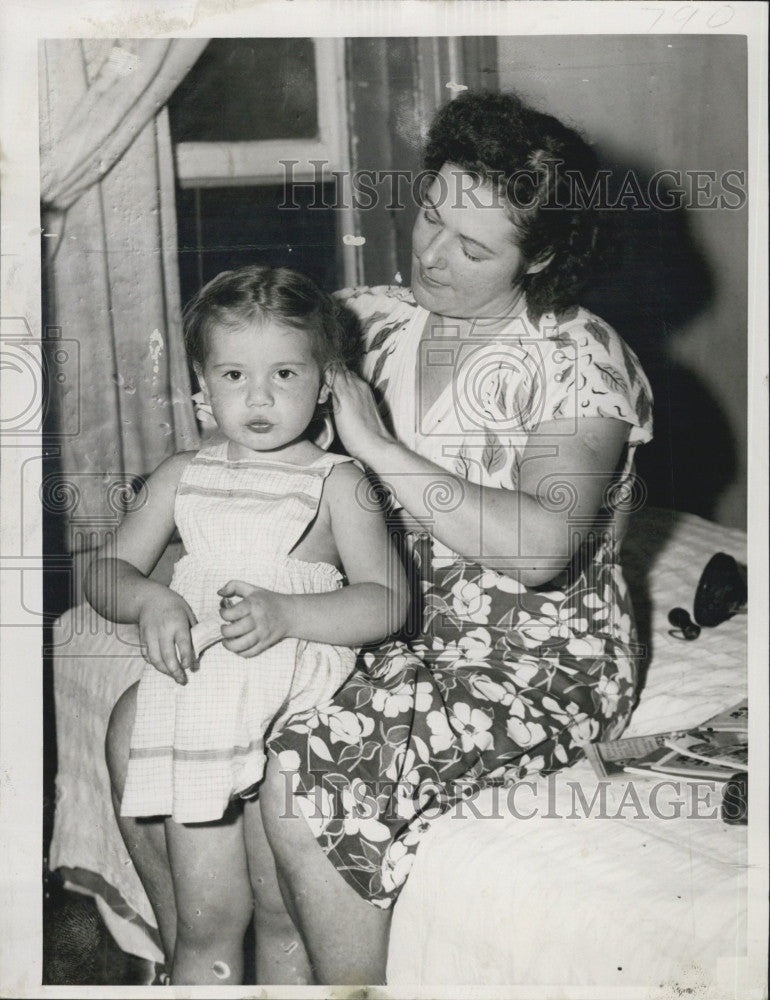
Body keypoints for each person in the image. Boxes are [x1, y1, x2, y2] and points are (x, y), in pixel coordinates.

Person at [105, 90, 654, 985]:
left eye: (473, 247)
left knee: (311, 783)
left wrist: (376, 447)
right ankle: (200, 964)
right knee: (140, 725)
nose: (431, 254)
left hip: (530, 659)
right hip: (371, 617)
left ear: (543, 254)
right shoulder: (371, 320)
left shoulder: (577, 360)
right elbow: (257, 431)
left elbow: (539, 547)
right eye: (430, 214)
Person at [85, 265, 408, 985]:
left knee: (281, 914)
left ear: (325, 382)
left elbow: (388, 602)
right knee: (208, 924)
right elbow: (104, 573)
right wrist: (150, 600)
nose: (258, 397)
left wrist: (289, 611)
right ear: (201, 386)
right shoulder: (181, 474)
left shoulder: (340, 482)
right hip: (199, 706)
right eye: (233, 375)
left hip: (292, 706)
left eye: (285, 373)